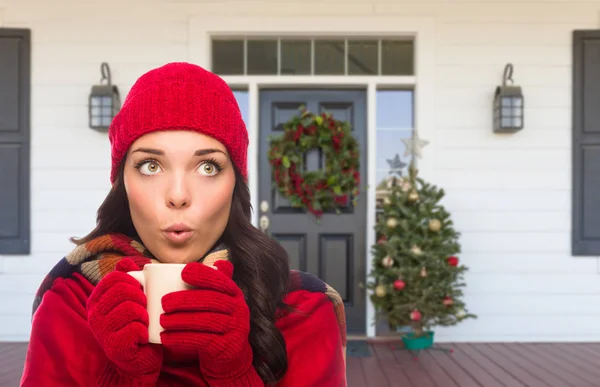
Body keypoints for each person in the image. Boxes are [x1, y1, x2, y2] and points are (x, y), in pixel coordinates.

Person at [20, 62, 347, 386]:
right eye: (150, 165)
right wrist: (125, 378)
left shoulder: (302, 308)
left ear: (235, 185)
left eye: (207, 167)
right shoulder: (70, 303)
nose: (178, 195)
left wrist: (233, 375)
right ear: (123, 184)